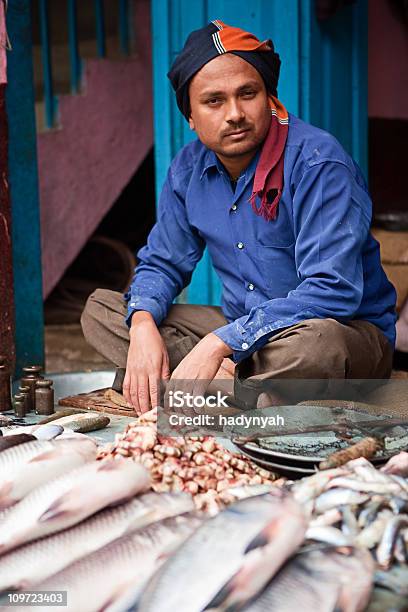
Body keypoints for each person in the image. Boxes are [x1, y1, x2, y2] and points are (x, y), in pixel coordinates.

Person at [81, 20, 396, 414]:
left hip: (338, 333)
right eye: (214, 101)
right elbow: (163, 263)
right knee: (104, 311)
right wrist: (143, 326)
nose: (234, 114)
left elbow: (332, 291)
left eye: (247, 94)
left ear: (268, 97)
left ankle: (211, 379)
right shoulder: (188, 169)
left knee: (318, 345)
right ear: (191, 116)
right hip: (245, 328)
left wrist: (217, 344)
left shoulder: (318, 162)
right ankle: (241, 388)